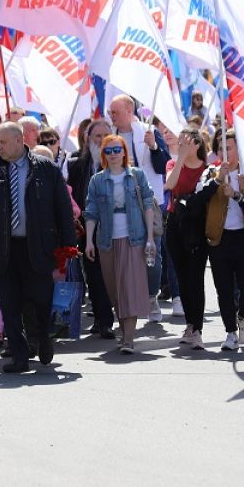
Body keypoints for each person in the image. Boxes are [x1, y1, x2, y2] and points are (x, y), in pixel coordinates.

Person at [0, 122, 76, 372]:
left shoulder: (46, 169)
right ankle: (19, 356)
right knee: (9, 304)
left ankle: (43, 338)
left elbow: (63, 210)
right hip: (4, 249)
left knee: (40, 301)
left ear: (19, 140)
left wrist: (67, 248)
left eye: (4, 142)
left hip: (38, 248)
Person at [83, 135, 156, 354]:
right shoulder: (97, 180)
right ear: (103, 155)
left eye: (117, 150)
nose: (113, 154)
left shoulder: (136, 176)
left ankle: (129, 340)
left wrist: (150, 237)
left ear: (125, 152)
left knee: (129, 287)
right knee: (115, 288)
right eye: (108, 151)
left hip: (134, 238)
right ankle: (125, 333)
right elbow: (91, 211)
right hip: (106, 241)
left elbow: (148, 204)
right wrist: (88, 241)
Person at [108, 95, 170, 321]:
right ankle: (127, 302)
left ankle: (152, 295)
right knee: (122, 253)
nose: (112, 116)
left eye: (115, 112)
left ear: (129, 110)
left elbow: (164, 164)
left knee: (152, 250)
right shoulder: (110, 137)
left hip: (148, 202)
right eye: (110, 112)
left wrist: (154, 146)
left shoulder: (149, 131)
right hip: (119, 203)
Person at [197, 132, 244, 352]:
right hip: (218, 238)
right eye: (221, 148)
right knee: (223, 288)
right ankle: (231, 331)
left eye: (229, 148)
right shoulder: (210, 173)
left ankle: (243, 315)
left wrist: (238, 192)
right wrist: (216, 181)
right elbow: (199, 197)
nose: (225, 152)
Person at [69, 119, 116, 339]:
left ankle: (112, 316)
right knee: (95, 275)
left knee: (113, 275)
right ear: (88, 139)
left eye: (107, 135)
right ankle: (102, 319)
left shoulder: (120, 162)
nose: (103, 140)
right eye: (98, 136)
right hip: (86, 228)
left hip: (115, 228)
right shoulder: (76, 163)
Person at [164, 127, 210, 349]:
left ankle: (197, 327)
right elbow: (170, 185)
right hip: (176, 223)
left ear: (198, 144)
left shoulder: (207, 168)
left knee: (195, 277)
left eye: (187, 141)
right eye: (180, 140)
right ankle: (190, 324)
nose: (181, 143)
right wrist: (180, 157)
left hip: (197, 226)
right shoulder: (173, 163)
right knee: (182, 277)